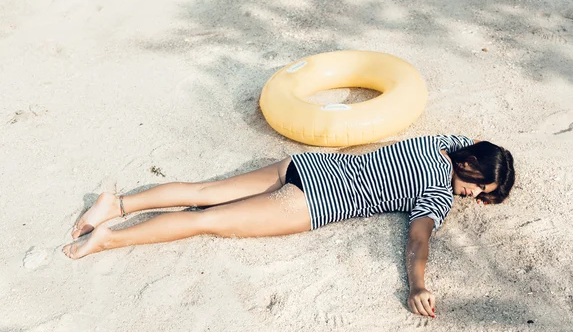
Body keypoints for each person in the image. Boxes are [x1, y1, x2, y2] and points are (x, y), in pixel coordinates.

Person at [64, 135, 515, 318]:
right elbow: (419, 240)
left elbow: (469, 140)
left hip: (306, 165)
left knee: (207, 192)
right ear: (469, 167)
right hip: (315, 200)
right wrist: (418, 284)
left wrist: (490, 165)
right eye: (480, 188)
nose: (473, 196)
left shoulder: (441, 142)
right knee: (210, 222)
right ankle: (109, 239)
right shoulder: (437, 191)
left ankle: (117, 204)